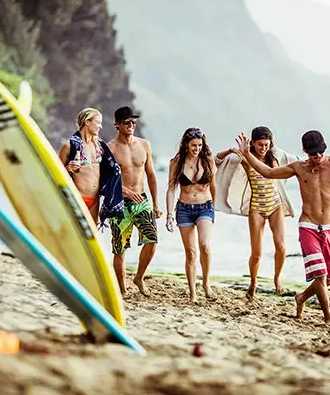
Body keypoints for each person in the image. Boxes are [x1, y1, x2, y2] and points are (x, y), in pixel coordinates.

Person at [236, 130, 330, 323]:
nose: (317, 157)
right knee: (321, 276)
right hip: (308, 226)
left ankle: (301, 298)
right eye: (312, 153)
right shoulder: (299, 167)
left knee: (327, 280)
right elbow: (269, 172)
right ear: (305, 151)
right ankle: (328, 318)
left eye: (320, 152)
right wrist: (247, 154)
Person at [215, 126, 299, 299]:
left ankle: (278, 281)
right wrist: (232, 150)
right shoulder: (246, 157)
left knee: (281, 246)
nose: (263, 148)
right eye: (260, 144)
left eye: (266, 144)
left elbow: (297, 162)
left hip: (275, 205)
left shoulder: (275, 155)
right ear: (253, 143)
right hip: (257, 208)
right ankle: (253, 284)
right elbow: (218, 161)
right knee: (257, 253)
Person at [108, 106, 162, 296]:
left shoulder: (144, 145)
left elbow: (151, 175)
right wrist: (125, 191)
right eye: (126, 122)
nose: (131, 125)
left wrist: (156, 203)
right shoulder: (110, 149)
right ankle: (122, 289)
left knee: (152, 240)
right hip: (119, 204)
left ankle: (139, 277)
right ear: (117, 124)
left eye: (133, 121)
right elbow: (105, 180)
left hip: (142, 201)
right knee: (120, 248)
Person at [165, 128, 217, 303]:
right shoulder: (177, 162)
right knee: (191, 252)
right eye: (194, 145)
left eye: (200, 145)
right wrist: (169, 215)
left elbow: (214, 186)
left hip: (205, 207)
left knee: (204, 245)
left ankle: (206, 283)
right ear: (186, 145)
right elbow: (171, 189)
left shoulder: (208, 160)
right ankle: (192, 293)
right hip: (184, 209)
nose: (197, 149)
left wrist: (214, 207)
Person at [59, 108, 107, 223]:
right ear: (87, 122)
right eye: (98, 122)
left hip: (95, 201)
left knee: (92, 238)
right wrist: (68, 168)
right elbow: (56, 174)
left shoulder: (99, 147)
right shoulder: (69, 147)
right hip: (77, 199)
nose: (101, 126)